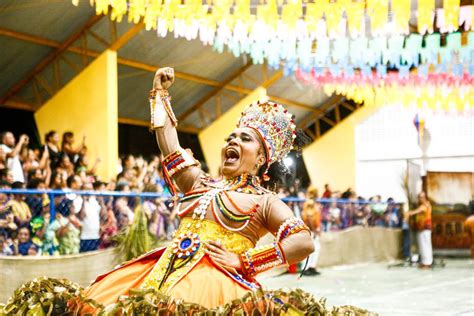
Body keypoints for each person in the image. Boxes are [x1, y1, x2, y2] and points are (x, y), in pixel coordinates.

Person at [83, 67, 314, 309]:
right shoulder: (199, 182)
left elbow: (302, 242)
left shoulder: (265, 201)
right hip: (161, 274)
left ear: (260, 159)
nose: (233, 141)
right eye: (231, 138)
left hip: (215, 290)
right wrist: (160, 94)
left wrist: (245, 262)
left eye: (245, 139)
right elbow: (170, 146)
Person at [408, 192, 433, 268]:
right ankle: (424, 262)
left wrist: (410, 213)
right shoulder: (422, 205)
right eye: (419, 197)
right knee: (422, 245)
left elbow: (418, 211)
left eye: (422, 197)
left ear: (425, 197)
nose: (420, 199)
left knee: (426, 245)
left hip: (425, 228)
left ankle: (427, 263)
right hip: (421, 228)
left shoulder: (426, 205)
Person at [301, 186, 322, 276]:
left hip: (313, 229)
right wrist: (314, 230)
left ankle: (311, 267)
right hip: (310, 229)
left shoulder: (312, 202)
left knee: (316, 248)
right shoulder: (310, 203)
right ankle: (305, 268)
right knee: (310, 249)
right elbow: (309, 217)